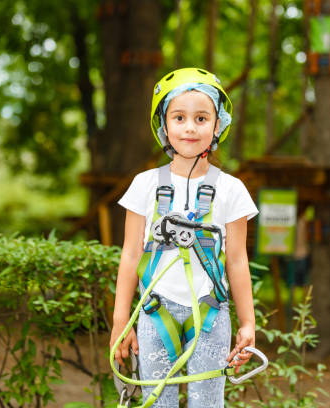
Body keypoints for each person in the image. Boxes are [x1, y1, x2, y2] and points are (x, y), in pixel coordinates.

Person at [110, 68, 259, 407]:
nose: (190, 127)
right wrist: (121, 321)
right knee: (155, 401)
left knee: (208, 402)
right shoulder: (145, 185)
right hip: (154, 312)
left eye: (201, 118)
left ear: (217, 124)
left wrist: (247, 323)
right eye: (179, 117)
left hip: (210, 314)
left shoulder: (231, 190)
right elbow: (131, 254)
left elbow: (236, 260)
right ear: (164, 126)